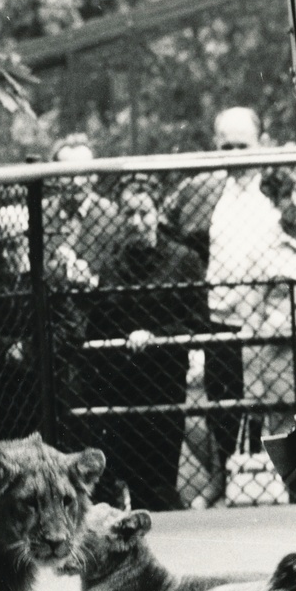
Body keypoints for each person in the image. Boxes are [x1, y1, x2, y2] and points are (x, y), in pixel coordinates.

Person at [161, 107, 286, 503]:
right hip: (219, 321)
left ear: (262, 144)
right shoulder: (203, 191)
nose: (234, 155)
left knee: (273, 409)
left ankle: (282, 484)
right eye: (226, 146)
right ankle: (224, 480)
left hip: (270, 321)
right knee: (221, 411)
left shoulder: (278, 189)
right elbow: (167, 232)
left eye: (242, 146)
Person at [85, 184, 207, 510]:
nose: (136, 221)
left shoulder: (184, 260)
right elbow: (101, 322)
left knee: (162, 468)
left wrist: (156, 335)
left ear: (157, 214)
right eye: (128, 213)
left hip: (166, 377)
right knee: (133, 472)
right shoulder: (112, 265)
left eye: (144, 212)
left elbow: (197, 319)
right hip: (124, 382)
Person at [0, 204, 88, 444]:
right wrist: (6, 348)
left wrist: (31, 350)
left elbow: (73, 328)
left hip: (43, 395)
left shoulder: (47, 276)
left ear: (25, 243)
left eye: (12, 245)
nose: (4, 255)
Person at [43, 134, 124, 287]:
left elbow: (114, 267)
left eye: (83, 172)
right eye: (67, 174)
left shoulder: (110, 215)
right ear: (54, 177)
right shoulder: (41, 213)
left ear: (94, 176)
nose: (76, 182)